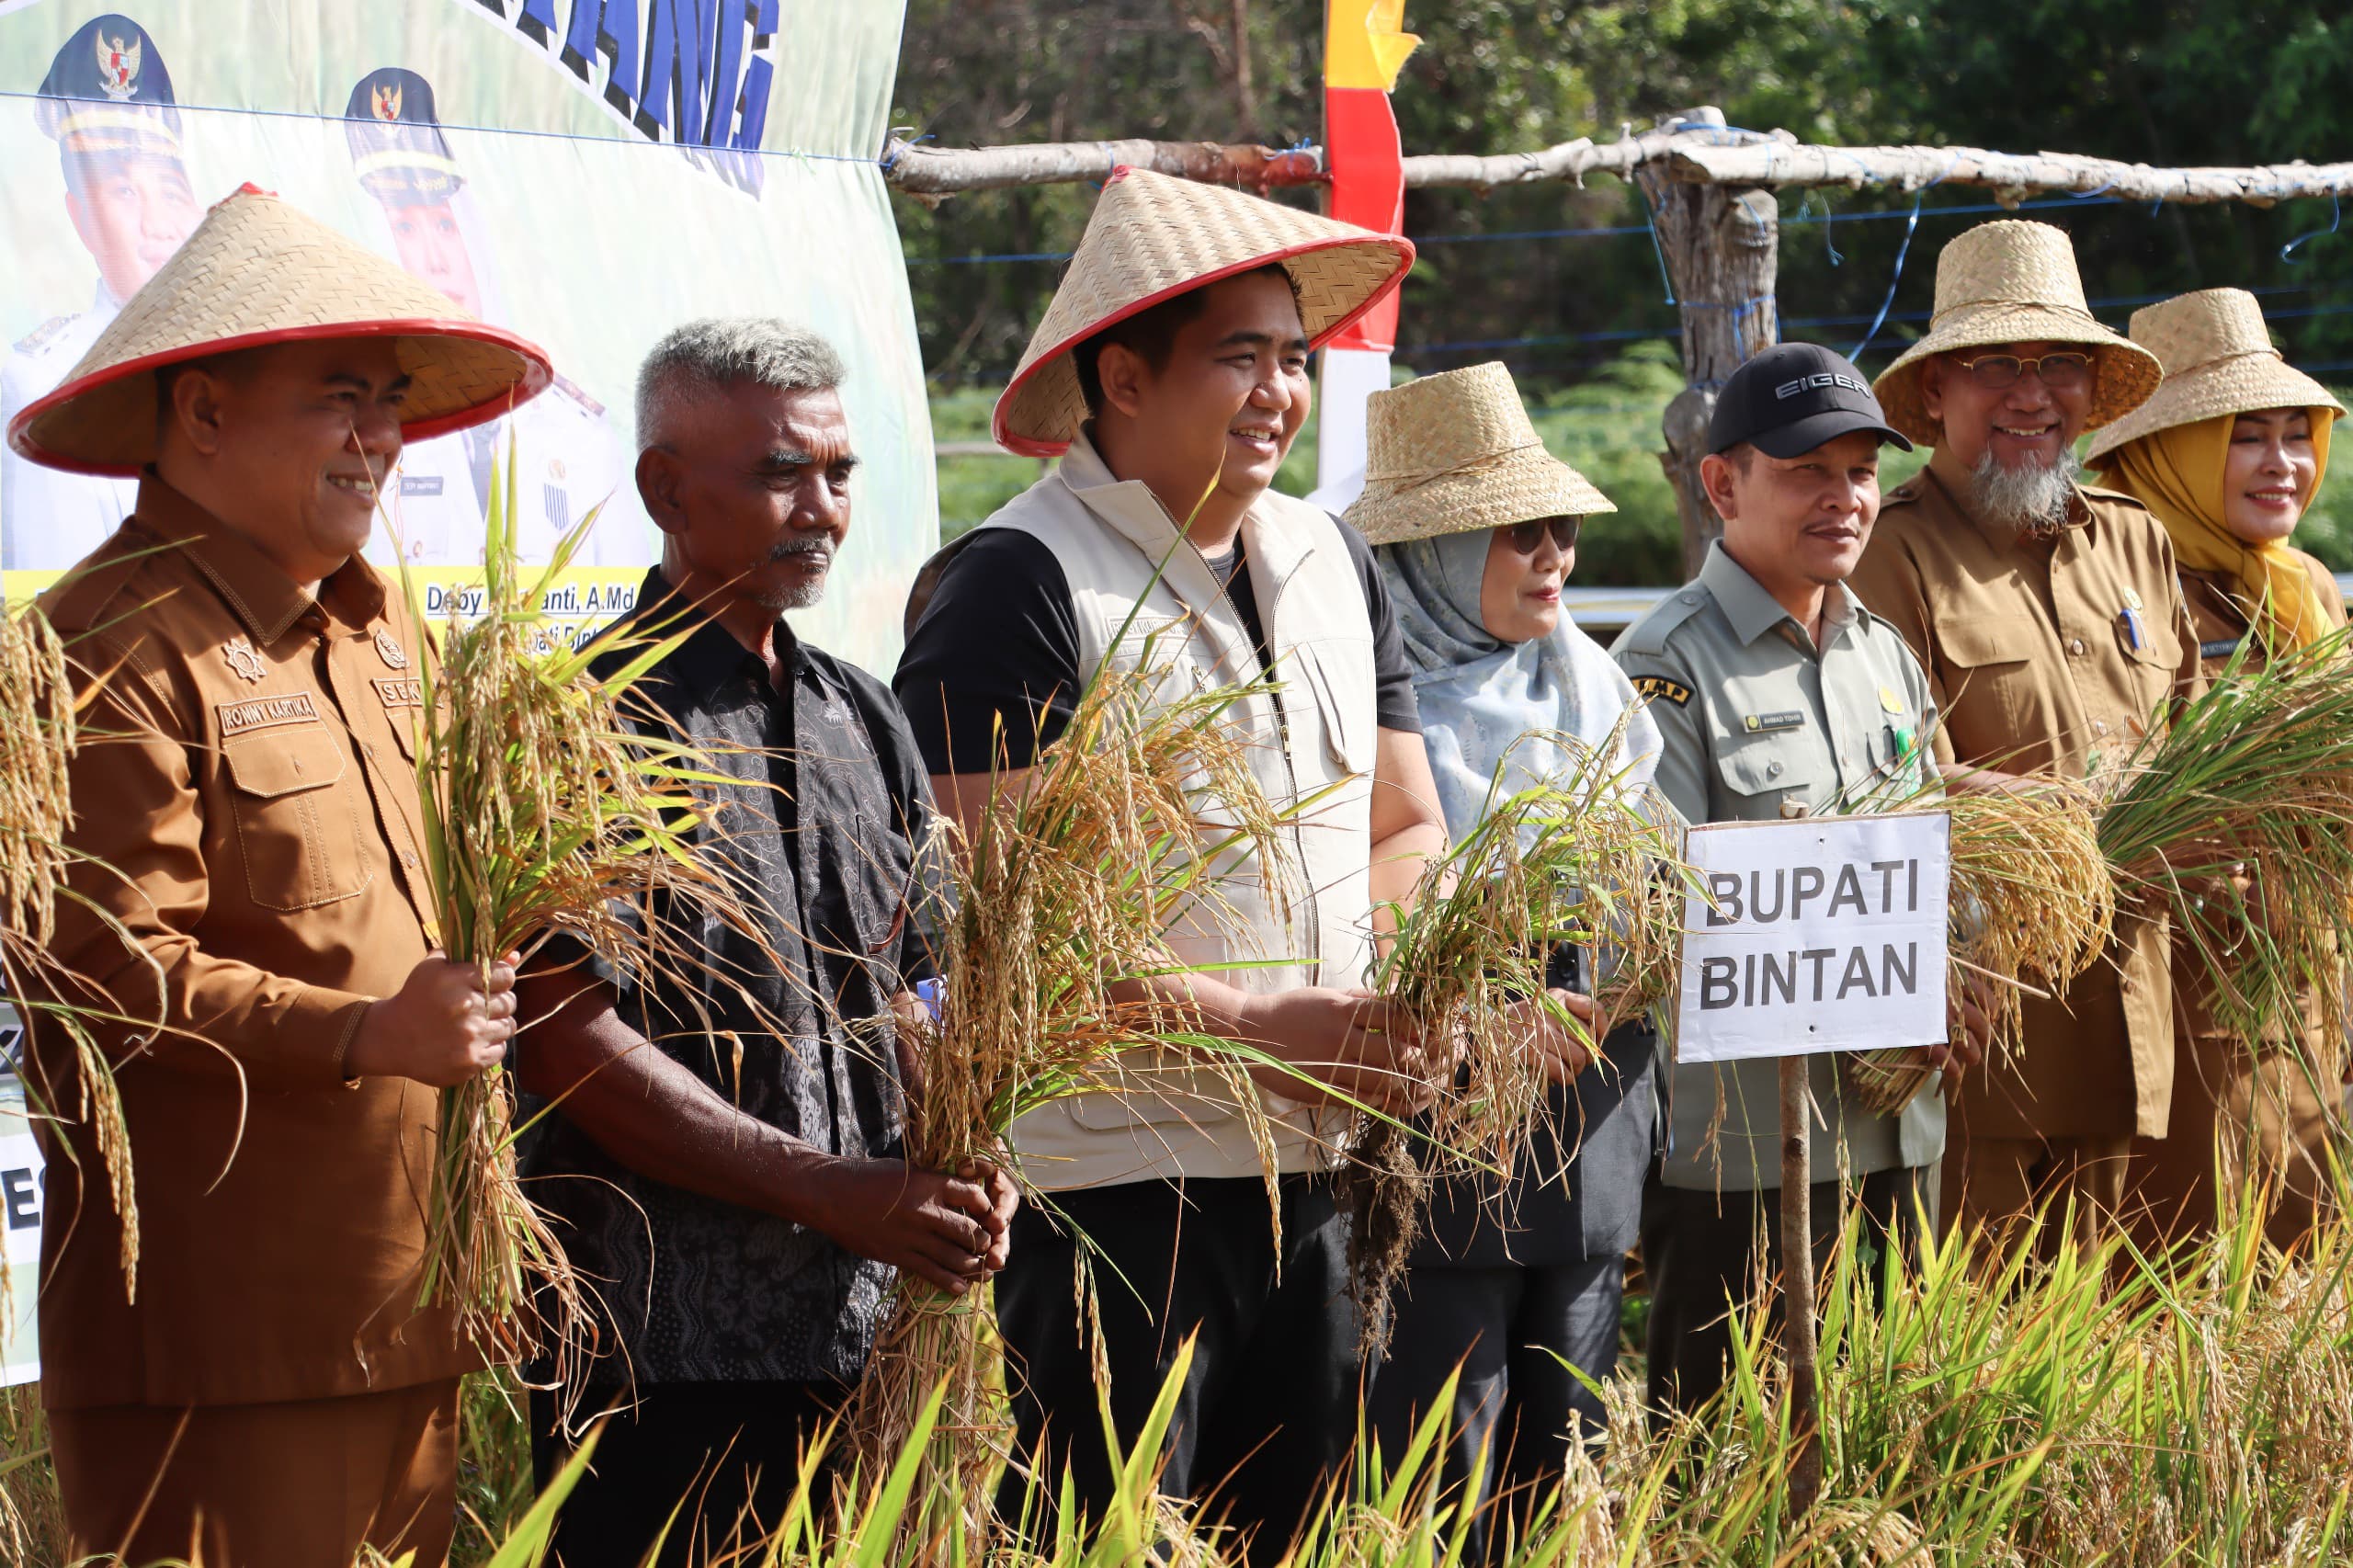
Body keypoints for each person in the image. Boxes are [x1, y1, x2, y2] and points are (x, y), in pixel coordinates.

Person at [893, 166, 1446, 1562]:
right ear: (1122, 381)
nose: (1277, 392)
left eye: (1294, 360)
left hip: (1322, 1174)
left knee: (1304, 1535)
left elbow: (1403, 822)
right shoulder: (1015, 583)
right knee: (1100, 1536)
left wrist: (1369, 1025)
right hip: (1115, 1191)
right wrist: (1280, 1032)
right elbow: (1004, 938)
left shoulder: (1334, 555)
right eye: (1239, 358)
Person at [11, 187, 540, 1568]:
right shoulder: (105, 646)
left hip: (410, 1305)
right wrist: (366, 1031)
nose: (382, 437)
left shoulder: (383, 637)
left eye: (391, 403)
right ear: (201, 412)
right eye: (340, 398)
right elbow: (103, 977)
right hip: (224, 1347)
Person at [514, 318, 1016, 1562]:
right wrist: (831, 1188)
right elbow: (563, 1032)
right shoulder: (590, 723)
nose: (821, 509)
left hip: (859, 1337)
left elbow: (915, 981)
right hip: (650, 1353)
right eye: (781, 472)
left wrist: (959, 1147)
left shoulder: (864, 714)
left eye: (839, 474)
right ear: (665, 490)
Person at [1613, 342, 1973, 1415]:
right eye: (1809, 470)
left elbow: (1928, 853)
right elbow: (1656, 905)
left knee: (1890, 1426)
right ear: (1722, 483)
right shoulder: (1664, 665)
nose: (1845, 498)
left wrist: (1955, 959)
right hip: (1743, 1150)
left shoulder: (1883, 656)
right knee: (1727, 1444)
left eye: (1861, 471)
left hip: (1897, 1124)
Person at [1349, 362, 1658, 1555]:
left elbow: (1650, 874)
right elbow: (1365, 916)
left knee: (1571, 1469)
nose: (1556, 555)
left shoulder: (1593, 681)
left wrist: (1647, 961)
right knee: (1445, 1472)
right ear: (1428, 549)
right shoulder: (1368, 711)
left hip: (1593, 1130)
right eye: (1519, 531)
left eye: (1565, 529)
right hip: (1447, 1138)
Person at [1847, 220, 2200, 1245]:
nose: (2029, 394)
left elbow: (2183, 736)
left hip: (2130, 1005)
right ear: (1937, 393)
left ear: (2092, 389)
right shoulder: (1892, 554)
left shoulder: (2134, 537)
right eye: (1994, 364)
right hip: (1981, 1028)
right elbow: (1895, 785)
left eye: (2057, 365)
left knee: (2118, 1334)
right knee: (1979, 1338)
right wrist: (2070, 815)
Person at [2084, 288, 2349, 1249]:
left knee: (2294, 1263)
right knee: (2177, 1269)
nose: (2283, 463)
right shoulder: (2118, 581)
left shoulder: (2300, 583)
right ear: (2168, 450)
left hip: (2301, 985)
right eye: (2246, 436)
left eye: (2297, 433)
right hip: (2181, 991)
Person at [343, 65, 643, 568]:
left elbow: (634, 618)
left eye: (444, 223)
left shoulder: (576, 433)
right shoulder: (352, 437)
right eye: (405, 229)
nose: (434, 259)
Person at [2, 11, 201, 569]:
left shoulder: (245, 366)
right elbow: (58, 616)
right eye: (124, 192)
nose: (158, 223)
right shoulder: (43, 385)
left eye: (168, 187)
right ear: (82, 219)